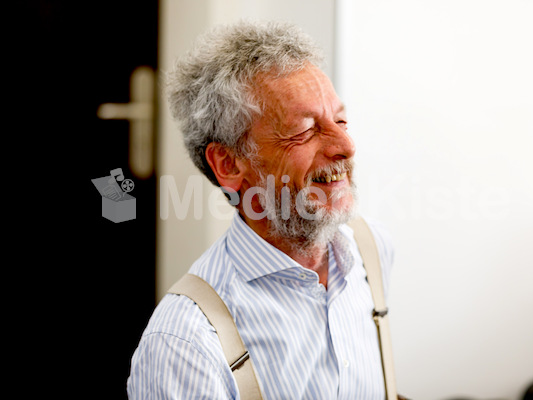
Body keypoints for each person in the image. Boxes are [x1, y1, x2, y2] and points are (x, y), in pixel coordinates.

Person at [127, 19, 395, 399]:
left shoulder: (372, 252)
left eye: (340, 120)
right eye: (305, 129)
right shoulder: (184, 343)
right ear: (229, 164)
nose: (345, 145)